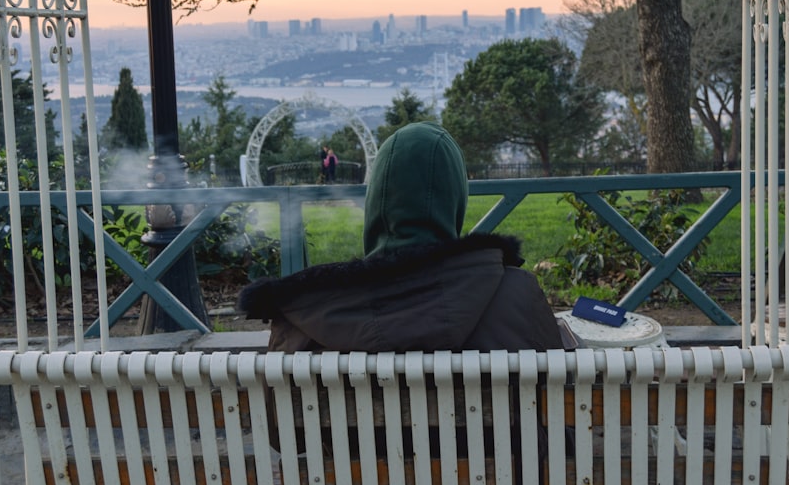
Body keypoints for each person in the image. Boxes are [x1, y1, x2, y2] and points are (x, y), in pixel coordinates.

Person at [239, 121, 565, 353]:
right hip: (492, 451)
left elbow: (280, 430)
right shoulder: (516, 293)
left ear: (377, 201)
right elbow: (551, 402)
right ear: (454, 199)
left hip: (353, 452)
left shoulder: (304, 312)